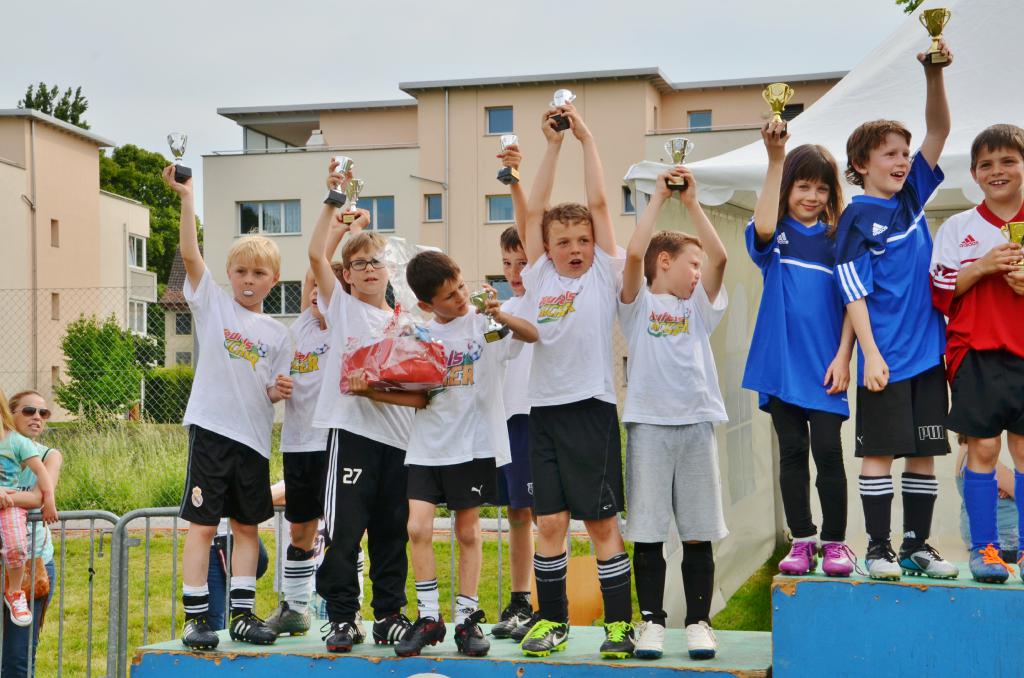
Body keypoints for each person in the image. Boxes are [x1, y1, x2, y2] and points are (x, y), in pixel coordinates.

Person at [832, 40, 958, 581]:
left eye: (905, 154)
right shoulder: (855, 218)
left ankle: (916, 546)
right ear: (861, 165)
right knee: (879, 453)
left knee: (923, 454)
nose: (903, 160)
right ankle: (878, 548)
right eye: (889, 154)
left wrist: (933, 74)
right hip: (884, 359)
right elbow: (853, 292)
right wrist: (870, 355)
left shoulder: (911, 199)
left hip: (928, 354)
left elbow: (939, 131)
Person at [518, 100, 635, 659]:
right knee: (549, 524)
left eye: (582, 240)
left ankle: (619, 625)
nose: (574, 249)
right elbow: (535, 209)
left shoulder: (605, 274)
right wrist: (552, 145)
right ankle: (552, 621)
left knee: (602, 522)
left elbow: (600, 203)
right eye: (563, 241)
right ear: (546, 248)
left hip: (591, 408)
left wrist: (586, 140)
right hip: (544, 411)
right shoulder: (539, 273)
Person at [163, 165, 294, 649]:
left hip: (253, 441)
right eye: (240, 271)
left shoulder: (279, 335)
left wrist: (279, 392)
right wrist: (187, 198)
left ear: (273, 279)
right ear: (230, 274)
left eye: (258, 273)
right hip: (213, 431)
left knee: (247, 527)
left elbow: (269, 391)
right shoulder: (213, 305)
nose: (248, 280)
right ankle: (196, 618)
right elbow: (189, 255)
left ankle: (242, 615)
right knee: (202, 526)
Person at [394, 250, 537, 658]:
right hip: (426, 445)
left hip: (472, 445)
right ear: (426, 305)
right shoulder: (418, 334)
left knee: (468, 531)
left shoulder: (484, 324)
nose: (459, 298)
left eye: (460, 287)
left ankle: (466, 618)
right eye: (449, 296)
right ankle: (428, 617)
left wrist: (499, 313)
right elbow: (408, 388)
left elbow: (530, 335)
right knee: (417, 528)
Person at [308, 163, 420, 653]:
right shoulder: (342, 307)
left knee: (392, 533)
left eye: (376, 262)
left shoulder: (405, 319)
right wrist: (335, 199)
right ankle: (342, 617)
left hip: (401, 439)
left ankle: (389, 614)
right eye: (359, 265)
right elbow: (317, 253)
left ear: (389, 269)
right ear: (347, 276)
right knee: (345, 532)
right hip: (353, 434)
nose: (369, 269)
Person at [620, 166, 729, 660]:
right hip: (649, 427)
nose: (698, 273)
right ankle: (651, 623)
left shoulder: (698, 308)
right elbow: (632, 255)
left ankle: (699, 623)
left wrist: (690, 204)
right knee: (647, 531)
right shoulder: (638, 304)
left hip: (696, 426)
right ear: (664, 261)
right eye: (692, 264)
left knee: (698, 531)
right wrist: (658, 199)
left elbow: (721, 258)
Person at [743, 121, 856, 577]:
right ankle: (803, 540)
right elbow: (763, 225)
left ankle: (835, 543)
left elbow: (853, 304)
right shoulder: (773, 234)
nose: (812, 196)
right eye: (803, 186)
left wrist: (844, 357)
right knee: (792, 452)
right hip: (781, 368)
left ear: (832, 194)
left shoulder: (839, 239)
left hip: (827, 368)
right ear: (787, 187)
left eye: (821, 188)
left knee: (828, 452)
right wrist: (775, 159)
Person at [929, 123, 1024, 582]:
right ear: (973, 174)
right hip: (975, 351)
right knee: (982, 448)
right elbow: (939, 287)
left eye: (1008, 161)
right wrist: (983, 267)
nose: (997, 171)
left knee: (1023, 448)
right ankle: (985, 549)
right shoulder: (958, 227)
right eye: (986, 164)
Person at [266, 228, 349, 636]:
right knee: (300, 528)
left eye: (323, 288)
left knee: (341, 532)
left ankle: (344, 610)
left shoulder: (343, 326)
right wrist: (337, 228)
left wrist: (345, 232)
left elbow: (322, 273)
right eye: (313, 288)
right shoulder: (300, 326)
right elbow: (312, 271)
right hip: (297, 444)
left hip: (333, 442)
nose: (316, 293)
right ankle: (295, 608)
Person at [489, 142, 538, 642]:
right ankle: (521, 600)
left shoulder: (542, 299)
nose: (514, 272)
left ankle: (547, 603)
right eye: (507, 263)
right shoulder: (499, 311)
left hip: (539, 416)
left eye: (521, 262)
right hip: (506, 421)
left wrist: (514, 179)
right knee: (517, 514)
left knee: (549, 515)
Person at [3, 390, 63, 678]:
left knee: (19, 656)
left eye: (43, 413)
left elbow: (39, 497)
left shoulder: (49, 456)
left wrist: (4, 496)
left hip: (32, 563)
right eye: (29, 411)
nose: (37, 417)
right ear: (9, 413)